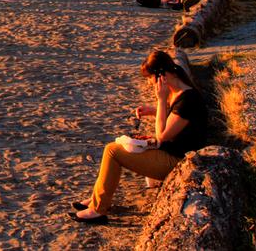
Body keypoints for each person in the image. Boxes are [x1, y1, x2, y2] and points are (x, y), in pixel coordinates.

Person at [71, 50, 208, 223]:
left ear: (161, 76)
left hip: (178, 162)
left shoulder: (187, 99)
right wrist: (154, 111)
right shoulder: (181, 92)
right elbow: (176, 119)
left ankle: (98, 209)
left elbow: (163, 135)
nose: (151, 83)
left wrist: (160, 100)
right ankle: (97, 199)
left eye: (150, 78)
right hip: (174, 154)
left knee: (113, 151)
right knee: (115, 148)